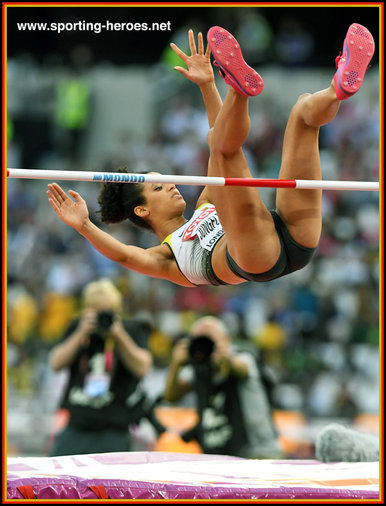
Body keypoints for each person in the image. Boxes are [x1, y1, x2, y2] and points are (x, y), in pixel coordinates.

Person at [46, 24, 375, 288]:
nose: (173, 186)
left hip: (292, 234)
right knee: (220, 146)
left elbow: (222, 139)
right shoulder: (166, 257)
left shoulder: (205, 200)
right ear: (142, 209)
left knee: (303, 110)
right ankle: (238, 89)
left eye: (167, 182)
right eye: (160, 188)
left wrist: (206, 84)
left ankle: (338, 89)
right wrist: (85, 226)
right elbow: (126, 257)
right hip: (254, 257)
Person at [47, 278, 153, 456]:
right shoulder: (78, 329)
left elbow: (143, 367)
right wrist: (81, 332)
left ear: (117, 311)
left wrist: (119, 336)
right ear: (86, 311)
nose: (101, 318)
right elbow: (56, 363)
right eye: (95, 311)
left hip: (114, 427)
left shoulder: (131, 330)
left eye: (107, 312)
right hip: (77, 425)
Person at [163, 316, 282, 459]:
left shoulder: (244, 357)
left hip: (258, 453)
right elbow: (171, 396)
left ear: (226, 340)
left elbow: (242, 368)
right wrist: (175, 365)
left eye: (211, 340)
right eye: (199, 340)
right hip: (219, 457)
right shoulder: (200, 369)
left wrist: (226, 359)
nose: (207, 347)